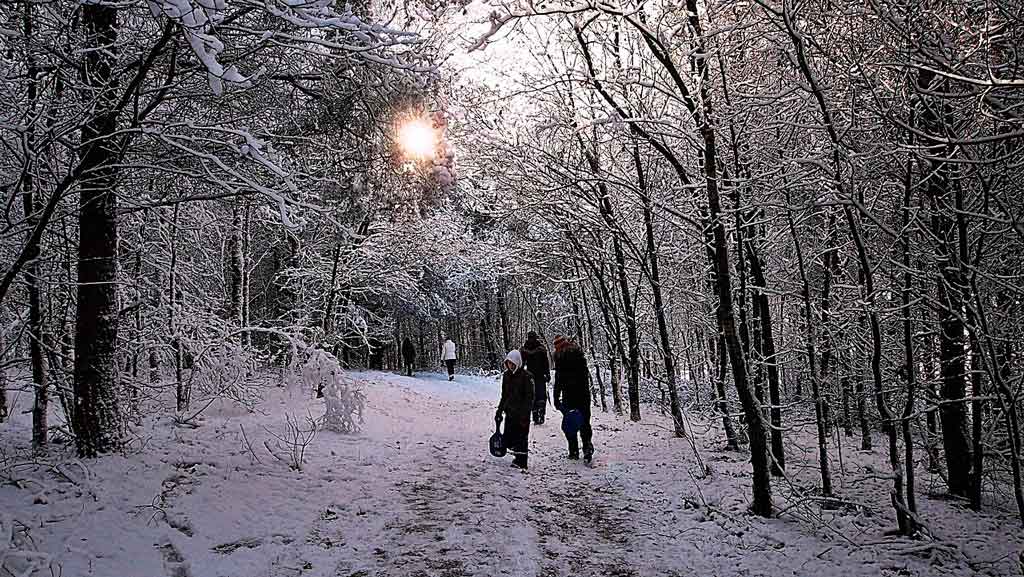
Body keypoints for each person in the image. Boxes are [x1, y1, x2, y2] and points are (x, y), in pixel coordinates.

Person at [553, 335, 594, 463]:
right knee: (584, 422)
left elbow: (559, 379)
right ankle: (587, 447)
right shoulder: (579, 354)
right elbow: (585, 376)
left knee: (570, 423)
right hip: (583, 394)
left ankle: (573, 451)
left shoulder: (559, 357)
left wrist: (556, 397)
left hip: (569, 395)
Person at [495, 350, 535, 470]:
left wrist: (525, 413)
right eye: (508, 363)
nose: (510, 366)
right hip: (510, 412)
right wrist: (499, 411)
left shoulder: (527, 376)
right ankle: (516, 455)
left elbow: (530, 398)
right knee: (510, 436)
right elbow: (504, 395)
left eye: (512, 363)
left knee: (521, 438)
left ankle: (521, 461)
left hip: (522, 413)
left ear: (517, 362)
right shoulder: (506, 376)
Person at [520, 331, 550, 425]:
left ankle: (537, 416)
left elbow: (521, 363)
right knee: (539, 395)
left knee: (534, 396)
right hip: (536, 376)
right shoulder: (540, 348)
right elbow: (545, 363)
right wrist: (547, 373)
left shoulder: (526, 348)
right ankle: (539, 415)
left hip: (533, 376)